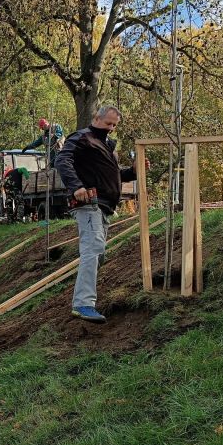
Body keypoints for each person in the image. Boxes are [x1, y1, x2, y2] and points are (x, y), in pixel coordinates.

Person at [55, 106, 148, 323]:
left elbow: (114, 176)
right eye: (108, 123)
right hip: (89, 203)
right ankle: (83, 304)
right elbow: (62, 160)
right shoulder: (82, 137)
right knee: (93, 249)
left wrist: (133, 172)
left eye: (115, 125)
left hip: (105, 207)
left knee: (99, 254)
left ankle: (83, 297)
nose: (112, 128)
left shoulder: (107, 146)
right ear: (97, 117)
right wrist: (76, 186)